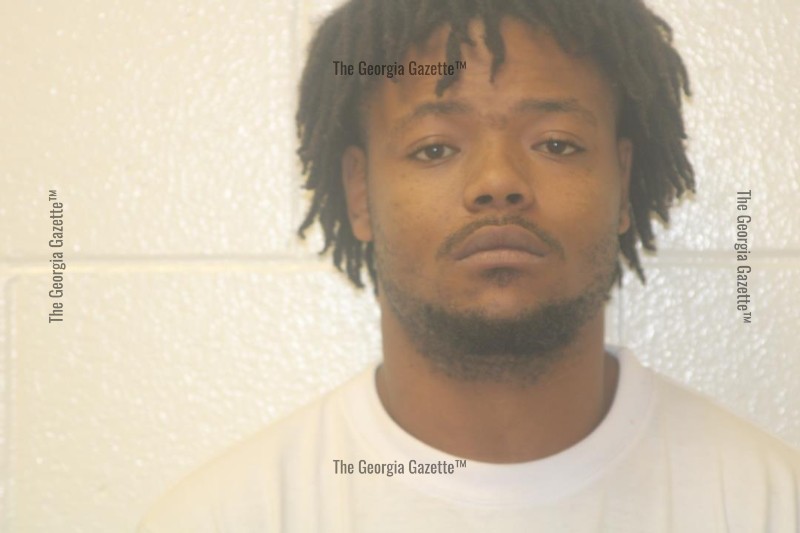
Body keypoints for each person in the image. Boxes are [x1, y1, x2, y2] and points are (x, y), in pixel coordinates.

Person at [139, 0, 800, 531]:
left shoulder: (767, 506)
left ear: (622, 183)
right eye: (434, 148)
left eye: (557, 143)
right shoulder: (224, 518)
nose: (498, 182)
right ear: (360, 192)